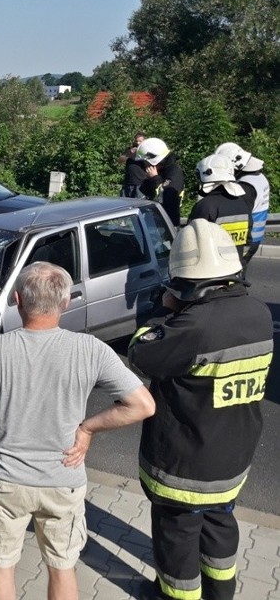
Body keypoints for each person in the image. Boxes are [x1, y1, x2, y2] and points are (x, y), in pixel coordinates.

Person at [0, 262, 155, 600]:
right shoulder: (91, 350)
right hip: (64, 480)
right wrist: (88, 429)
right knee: (62, 566)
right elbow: (142, 405)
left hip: (6, 481)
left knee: (0, 565)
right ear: (66, 301)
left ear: (16, 299)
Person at [128, 219, 274, 600]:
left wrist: (163, 313)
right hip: (232, 458)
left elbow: (142, 354)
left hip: (185, 467)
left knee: (177, 541)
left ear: (187, 281)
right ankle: (221, 593)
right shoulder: (259, 313)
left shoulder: (191, 325)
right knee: (220, 525)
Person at [215, 142, 271, 266]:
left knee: (233, 277)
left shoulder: (246, 186)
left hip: (245, 240)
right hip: (255, 238)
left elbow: (237, 213)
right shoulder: (259, 177)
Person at [188, 154, 251, 264]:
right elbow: (248, 240)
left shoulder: (205, 206)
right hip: (235, 271)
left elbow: (190, 241)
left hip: (212, 272)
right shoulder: (243, 204)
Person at [136, 138, 184, 227]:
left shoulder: (174, 172)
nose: (144, 165)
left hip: (167, 223)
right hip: (153, 220)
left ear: (154, 159)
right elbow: (146, 193)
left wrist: (154, 178)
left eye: (145, 162)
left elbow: (166, 197)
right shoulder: (159, 172)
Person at [119, 132, 147, 198]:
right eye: (136, 141)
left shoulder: (147, 151)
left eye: (140, 141)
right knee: (124, 205)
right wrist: (130, 153)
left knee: (139, 206)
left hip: (140, 184)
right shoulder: (130, 150)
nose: (138, 143)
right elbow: (120, 160)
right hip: (127, 183)